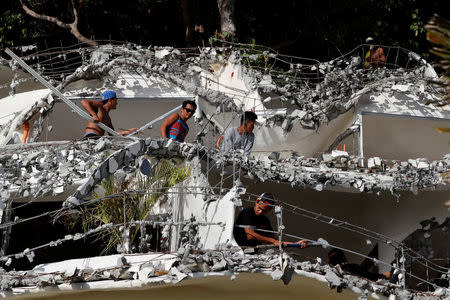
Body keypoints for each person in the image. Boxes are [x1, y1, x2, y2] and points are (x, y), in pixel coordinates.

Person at [233, 192, 308, 248]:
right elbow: (250, 235)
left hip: (252, 253)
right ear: (256, 201)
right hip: (238, 250)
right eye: (259, 208)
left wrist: (296, 244)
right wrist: (273, 241)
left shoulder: (265, 220)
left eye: (264, 211)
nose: (260, 212)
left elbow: (276, 241)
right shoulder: (247, 212)